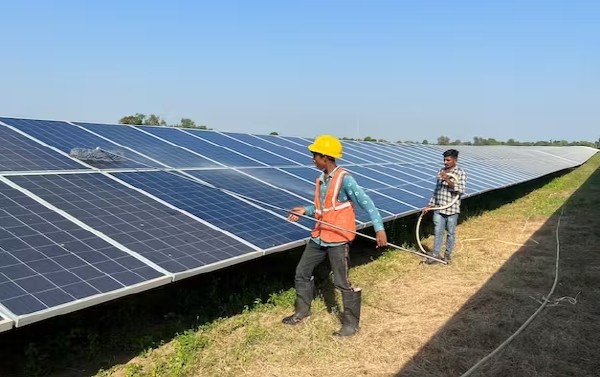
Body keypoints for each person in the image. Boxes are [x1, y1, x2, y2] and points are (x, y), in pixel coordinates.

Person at [284, 134, 388, 337]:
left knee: (341, 282)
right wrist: (305, 210)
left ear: (326, 157)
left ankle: (350, 325)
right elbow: (324, 209)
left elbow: (367, 203)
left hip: (338, 238)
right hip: (319, 236)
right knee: (301, 272)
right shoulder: (322, 180)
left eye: (315, 156)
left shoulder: (345, 179)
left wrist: (379, 228)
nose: (312, 159)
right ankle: (302, 313)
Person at [422, 149, 467, 265]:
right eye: (444, 160)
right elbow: (436, 190)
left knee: (451, 233)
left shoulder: (460, 173)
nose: (445, 162)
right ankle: (435, 256)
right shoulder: (441, 171)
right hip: (439, 208)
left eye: (448, 160)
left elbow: (460, 190)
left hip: (452, 209)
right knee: (438, 232)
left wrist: (447, 179)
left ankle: (447, 256)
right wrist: (430, 205)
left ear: (455, 160)